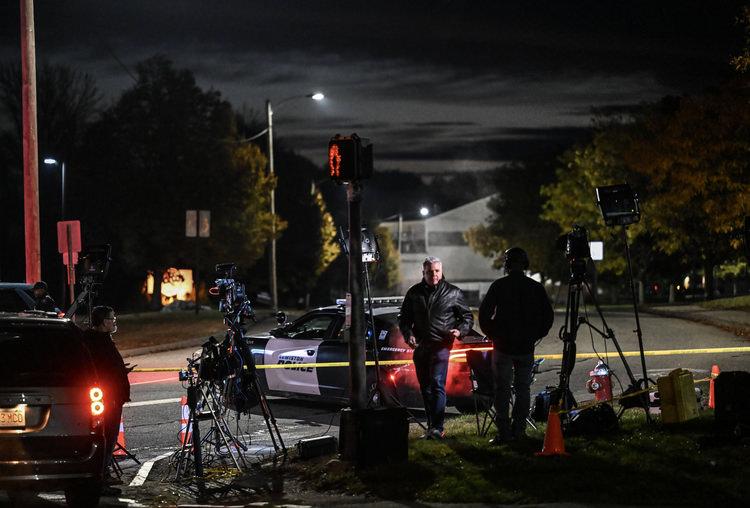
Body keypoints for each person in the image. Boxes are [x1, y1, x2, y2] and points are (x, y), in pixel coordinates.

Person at [478, 247, 554, 444]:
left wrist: (493, 334)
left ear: (507, 264)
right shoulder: (535, 287)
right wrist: (536, 335)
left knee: (502, 390)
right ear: (525, 264)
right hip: (525, 348)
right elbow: (548, 316)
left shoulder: (499, 286)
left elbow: (484, 315)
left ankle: (504, 433)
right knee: (523, 389)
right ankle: (519, 430)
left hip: (502, 348)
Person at [399, 256, 473, 440]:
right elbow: (404, 319)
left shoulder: (453, 293)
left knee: (437, 383)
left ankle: (438, 428)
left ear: (441, 271)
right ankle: (432, 426)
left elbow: (467, 317)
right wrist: (408, 335)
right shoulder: (414, 293)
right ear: (423, 272)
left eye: (437, 271)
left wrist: (460, 330)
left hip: (442, 345)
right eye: (430, 271)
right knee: (425, 388)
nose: (434, 274)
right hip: (421, 347)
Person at [82, 306, 131, 489]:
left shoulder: (93, 340)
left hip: (109, 395)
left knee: (107, 436)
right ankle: (101, 477)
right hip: (108, 397)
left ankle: (103, 473)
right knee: (107, 436)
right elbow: (103, 370)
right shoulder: (99, 342)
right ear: (104, 322)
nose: (114, 321)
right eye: (112, 318)